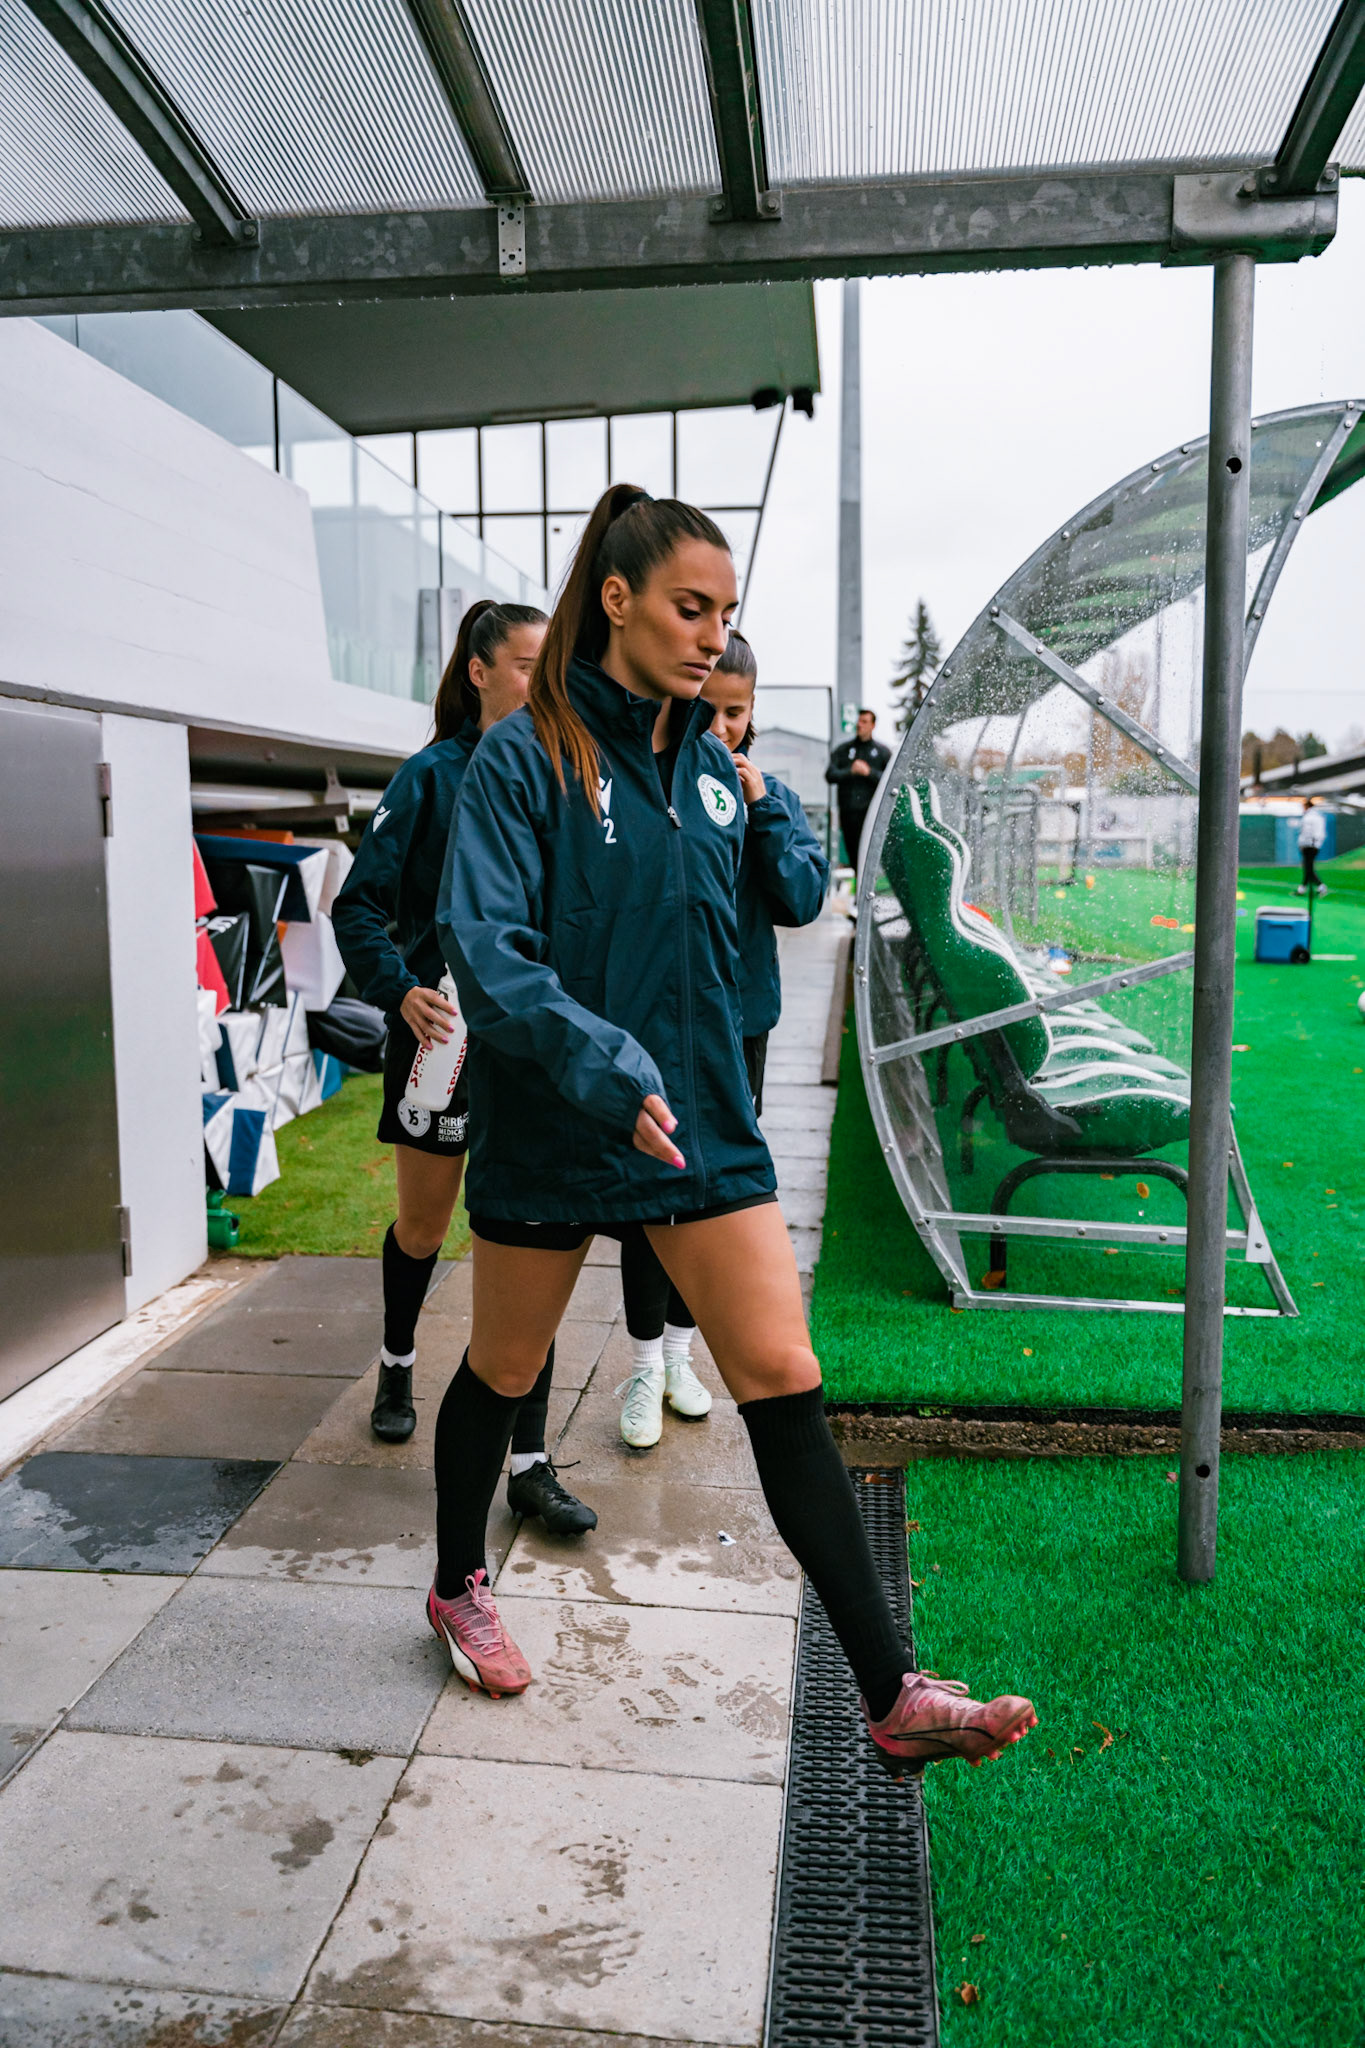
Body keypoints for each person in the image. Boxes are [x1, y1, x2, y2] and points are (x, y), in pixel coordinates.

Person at [428, 484, 1035, 1769]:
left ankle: (893, 1690)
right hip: (558, 1122)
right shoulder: (519, 757)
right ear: (618, 600)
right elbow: (487, 951)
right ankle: (454, 1581)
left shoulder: (712, 764)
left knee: (784, 1377)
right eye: (692, 608)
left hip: (700, 1130)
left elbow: (788, 902)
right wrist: (604, 1065)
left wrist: (768, 800)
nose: (714, 635)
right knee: (501, 1367)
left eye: (728, 614)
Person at [331, 599, 597, 1540]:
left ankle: (529, 1463)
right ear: (480, 671)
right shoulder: (430, 777)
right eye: (527, 664)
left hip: (528, 1048)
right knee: (425, 1223)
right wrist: (400, 990)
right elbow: (357, 908)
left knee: (533, 1235)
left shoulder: (563, 778)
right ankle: (398, 1358)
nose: (541, 681)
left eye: (548, 666)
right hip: (437, 1041)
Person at [615, 628, 831, 1450]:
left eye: (734, 714)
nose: (721, 730)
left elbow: (802, 898)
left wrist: (760, 808)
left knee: (712, 1194)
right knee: (652, 1193)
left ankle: (678, 1356)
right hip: (656, 1025)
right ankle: (640, 1367)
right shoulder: (644, 782)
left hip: (737, 1024)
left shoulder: (766, 794)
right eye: (708, 714)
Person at [825, 708, 891, 872]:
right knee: (853, 854)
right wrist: (850, 771)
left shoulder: (882, 752)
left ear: (873, 725)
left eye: (864, 722)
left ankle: (868, 890)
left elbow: (890, 780)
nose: (859, 725)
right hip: (848, 813)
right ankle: (859, 892)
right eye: (859, 721)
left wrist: (869, 773)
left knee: (869, 852)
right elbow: (830, 775)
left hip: (871, 813)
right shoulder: (844, 750)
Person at [1296, 796, 1328, 896]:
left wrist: (1309, 843)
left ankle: (1320, 886)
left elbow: (1309, 832)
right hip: (1312, 844)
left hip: (1310, 845)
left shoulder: (1310, 817)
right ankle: (1302, 888)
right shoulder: (1317, 816)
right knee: (1307, 867)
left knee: (1308, 867)